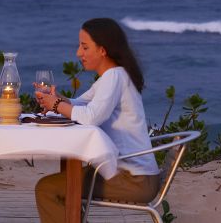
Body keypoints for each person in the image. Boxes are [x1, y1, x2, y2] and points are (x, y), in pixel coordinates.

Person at [33, 18, 160, 223]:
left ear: (102, 50)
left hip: (134, 180)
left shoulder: (114, 77)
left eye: (84, 47)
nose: (78, 53)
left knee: (47, 189)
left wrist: (56, 105)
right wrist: (56, 99)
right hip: (132, 174)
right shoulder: (111, 77)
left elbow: (91, 117)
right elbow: (81, 105)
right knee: (57, 187)